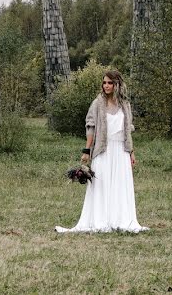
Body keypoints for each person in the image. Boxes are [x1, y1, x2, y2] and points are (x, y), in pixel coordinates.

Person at [55, 69, 147, 233]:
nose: (106, 86)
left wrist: (131, 152)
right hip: (103, 150)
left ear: (117, 84)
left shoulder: (125, 105)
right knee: (101, 185)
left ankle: (120, 219)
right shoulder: (97, 104)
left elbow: (127, 130)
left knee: (120, 186)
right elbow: (91, 127)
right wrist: (86, 150)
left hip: (121, 151)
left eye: (110, 83)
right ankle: (100, 219)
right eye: (104, 82)